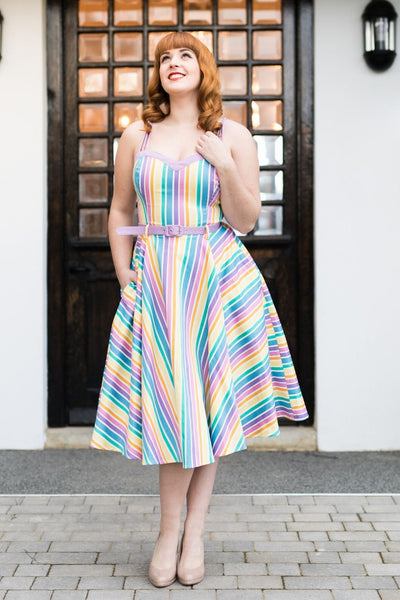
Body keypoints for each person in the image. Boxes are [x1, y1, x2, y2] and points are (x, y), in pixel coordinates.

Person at [90, 31, 309, 587]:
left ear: (204, 68)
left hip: (216, 279)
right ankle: (168, 530)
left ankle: (194, 534)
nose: (174, 63)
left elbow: (245, 219)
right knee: (173, 406)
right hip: (160, 280)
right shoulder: (137, 135)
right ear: (158, 73)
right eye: (165, 57)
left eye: (186, 55)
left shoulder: (231, 134)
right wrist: (124, 275)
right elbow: (119, 210)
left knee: (208, 408)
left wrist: (225, 165)